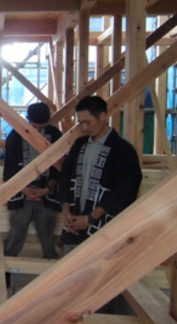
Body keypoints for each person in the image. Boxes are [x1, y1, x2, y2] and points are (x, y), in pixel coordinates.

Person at [60, 95, 142, 253]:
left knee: (100, 265)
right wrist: (66, 212)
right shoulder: (80, 145)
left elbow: (124, 191)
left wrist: (90, 218)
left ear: (103, 116)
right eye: (81, 123)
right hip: (74, 222)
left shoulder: (123, 150)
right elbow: (66, 177)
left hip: (104, 226)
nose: (84, 128)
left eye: (88, 122)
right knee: (70, 264)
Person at [4, 102, 62, 260]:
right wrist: (24, 189)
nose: (37, 130)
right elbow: (10, 168)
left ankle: (50, 264)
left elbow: (60, 168)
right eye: (34, 126)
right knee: (17, 229)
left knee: (47, 230)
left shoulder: (55, 135)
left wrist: (47, 189)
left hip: (47, 190)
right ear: (27, 120)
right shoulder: (15, 136)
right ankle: (8, 265)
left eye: (41, 127)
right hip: (22, 190)